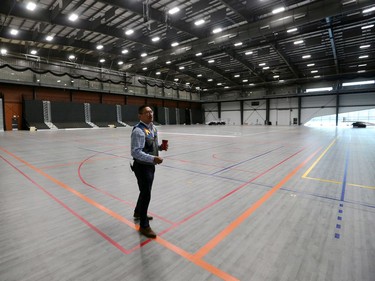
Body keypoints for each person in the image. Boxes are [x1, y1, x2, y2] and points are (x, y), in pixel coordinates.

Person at [130, 105, 168, 238]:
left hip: (150, 165)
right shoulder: (138, 131)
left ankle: (138, 212)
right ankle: (144, 226)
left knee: (145, 191)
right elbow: (135, 152)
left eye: (151, 111)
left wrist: (160, 147)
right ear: (140, 116)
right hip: (142, 167)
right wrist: (154, 158)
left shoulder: (153, 128)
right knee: (146, 194)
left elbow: (150, 146)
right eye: (146, 112)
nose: (150, 114)